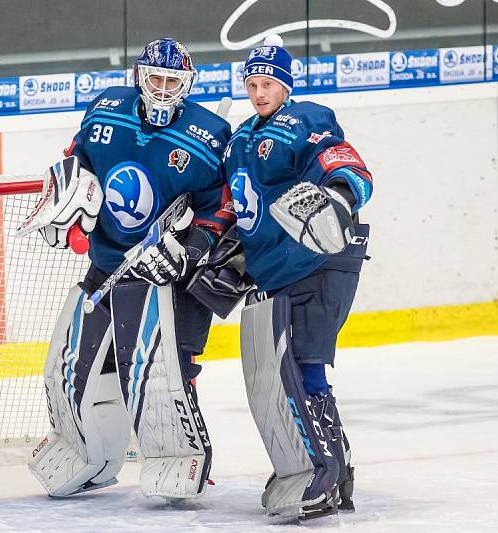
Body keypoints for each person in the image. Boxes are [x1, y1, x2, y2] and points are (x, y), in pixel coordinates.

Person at [19, 38, 234, 500]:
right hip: (104, 266)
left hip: (156, 277)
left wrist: (193, 244)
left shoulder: (209, 135)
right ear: (138, 76)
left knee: (154, 376)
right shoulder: (106, 109)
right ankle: (87, 455)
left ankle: (178, 457)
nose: (160, 89)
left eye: (171, 82)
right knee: (67, 369)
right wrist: (68, 193)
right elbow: (76, 156)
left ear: (187, 85)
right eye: (153, 78)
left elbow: (220, 205)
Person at [222, 34, 373, 519]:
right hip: (276, 268)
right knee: (288, 373)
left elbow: (346, 165)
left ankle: (321, 472)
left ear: (286, 86)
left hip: (320, 258)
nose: (259, 92)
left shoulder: (306, 119)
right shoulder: (239, 139)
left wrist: (341, 198)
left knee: (302, 365)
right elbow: (237, 208)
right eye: (252, 83)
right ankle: (331, 466)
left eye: (268, 83)